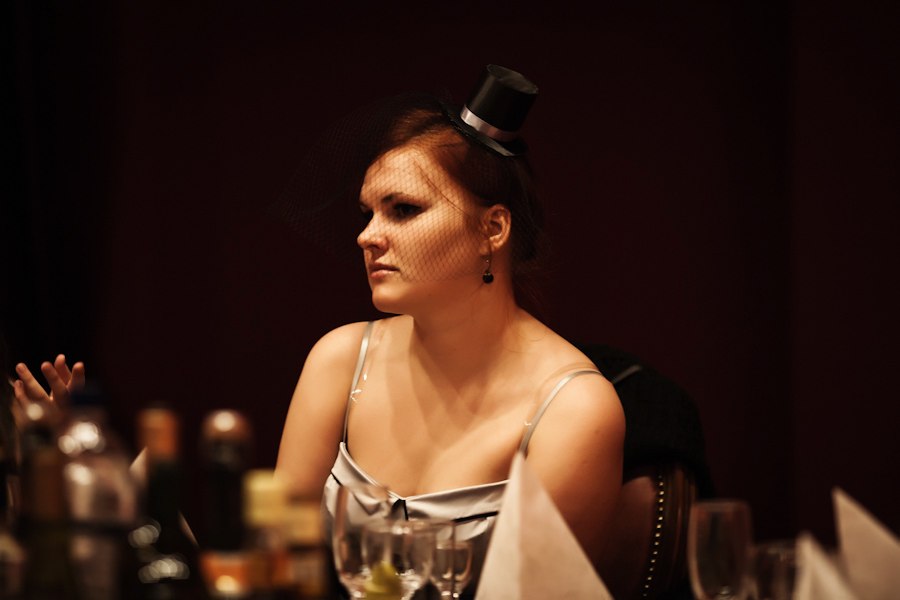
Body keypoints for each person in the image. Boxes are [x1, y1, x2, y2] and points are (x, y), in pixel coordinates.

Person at [274, 65, 626, 594]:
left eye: (403, 210)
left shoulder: (574, 410)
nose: (367, 236)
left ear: (492, 228)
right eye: (368, 213)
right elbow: (278, 564)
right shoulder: (340, 360)